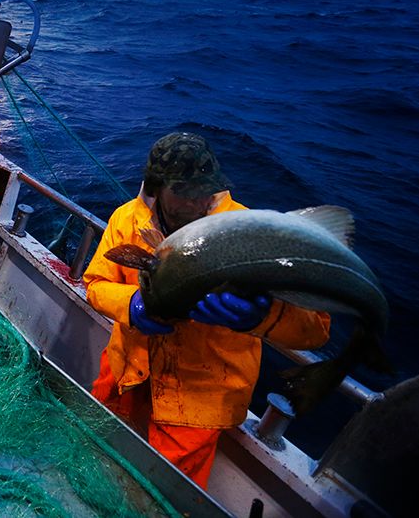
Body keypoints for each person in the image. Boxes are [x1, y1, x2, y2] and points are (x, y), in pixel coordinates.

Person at [84, 131, 331, 489]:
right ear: (157, 186)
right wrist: (133, 306)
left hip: (197, 397)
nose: (196, 201)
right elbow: (95, 285)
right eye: (183, 192)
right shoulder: (127, 219)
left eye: (205, 189)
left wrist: (262, 316)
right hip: (125, 373)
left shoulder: (251, 232)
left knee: (157, 494)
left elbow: (317, 328)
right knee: (96, 456)